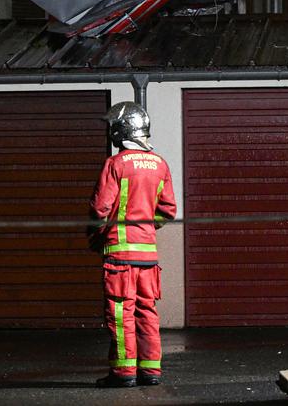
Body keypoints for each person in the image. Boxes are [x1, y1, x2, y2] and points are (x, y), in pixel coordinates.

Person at [88, 101, 177, 388]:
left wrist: (97, 236)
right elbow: (167, 211)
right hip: (148, 259)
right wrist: (146, 228)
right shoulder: (160, 164)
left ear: (121, 131)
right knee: (147, 312)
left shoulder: (115, 164)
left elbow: (100, 208)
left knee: (120, 313)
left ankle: (124, 373)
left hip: (120, 257)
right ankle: (151, 371)